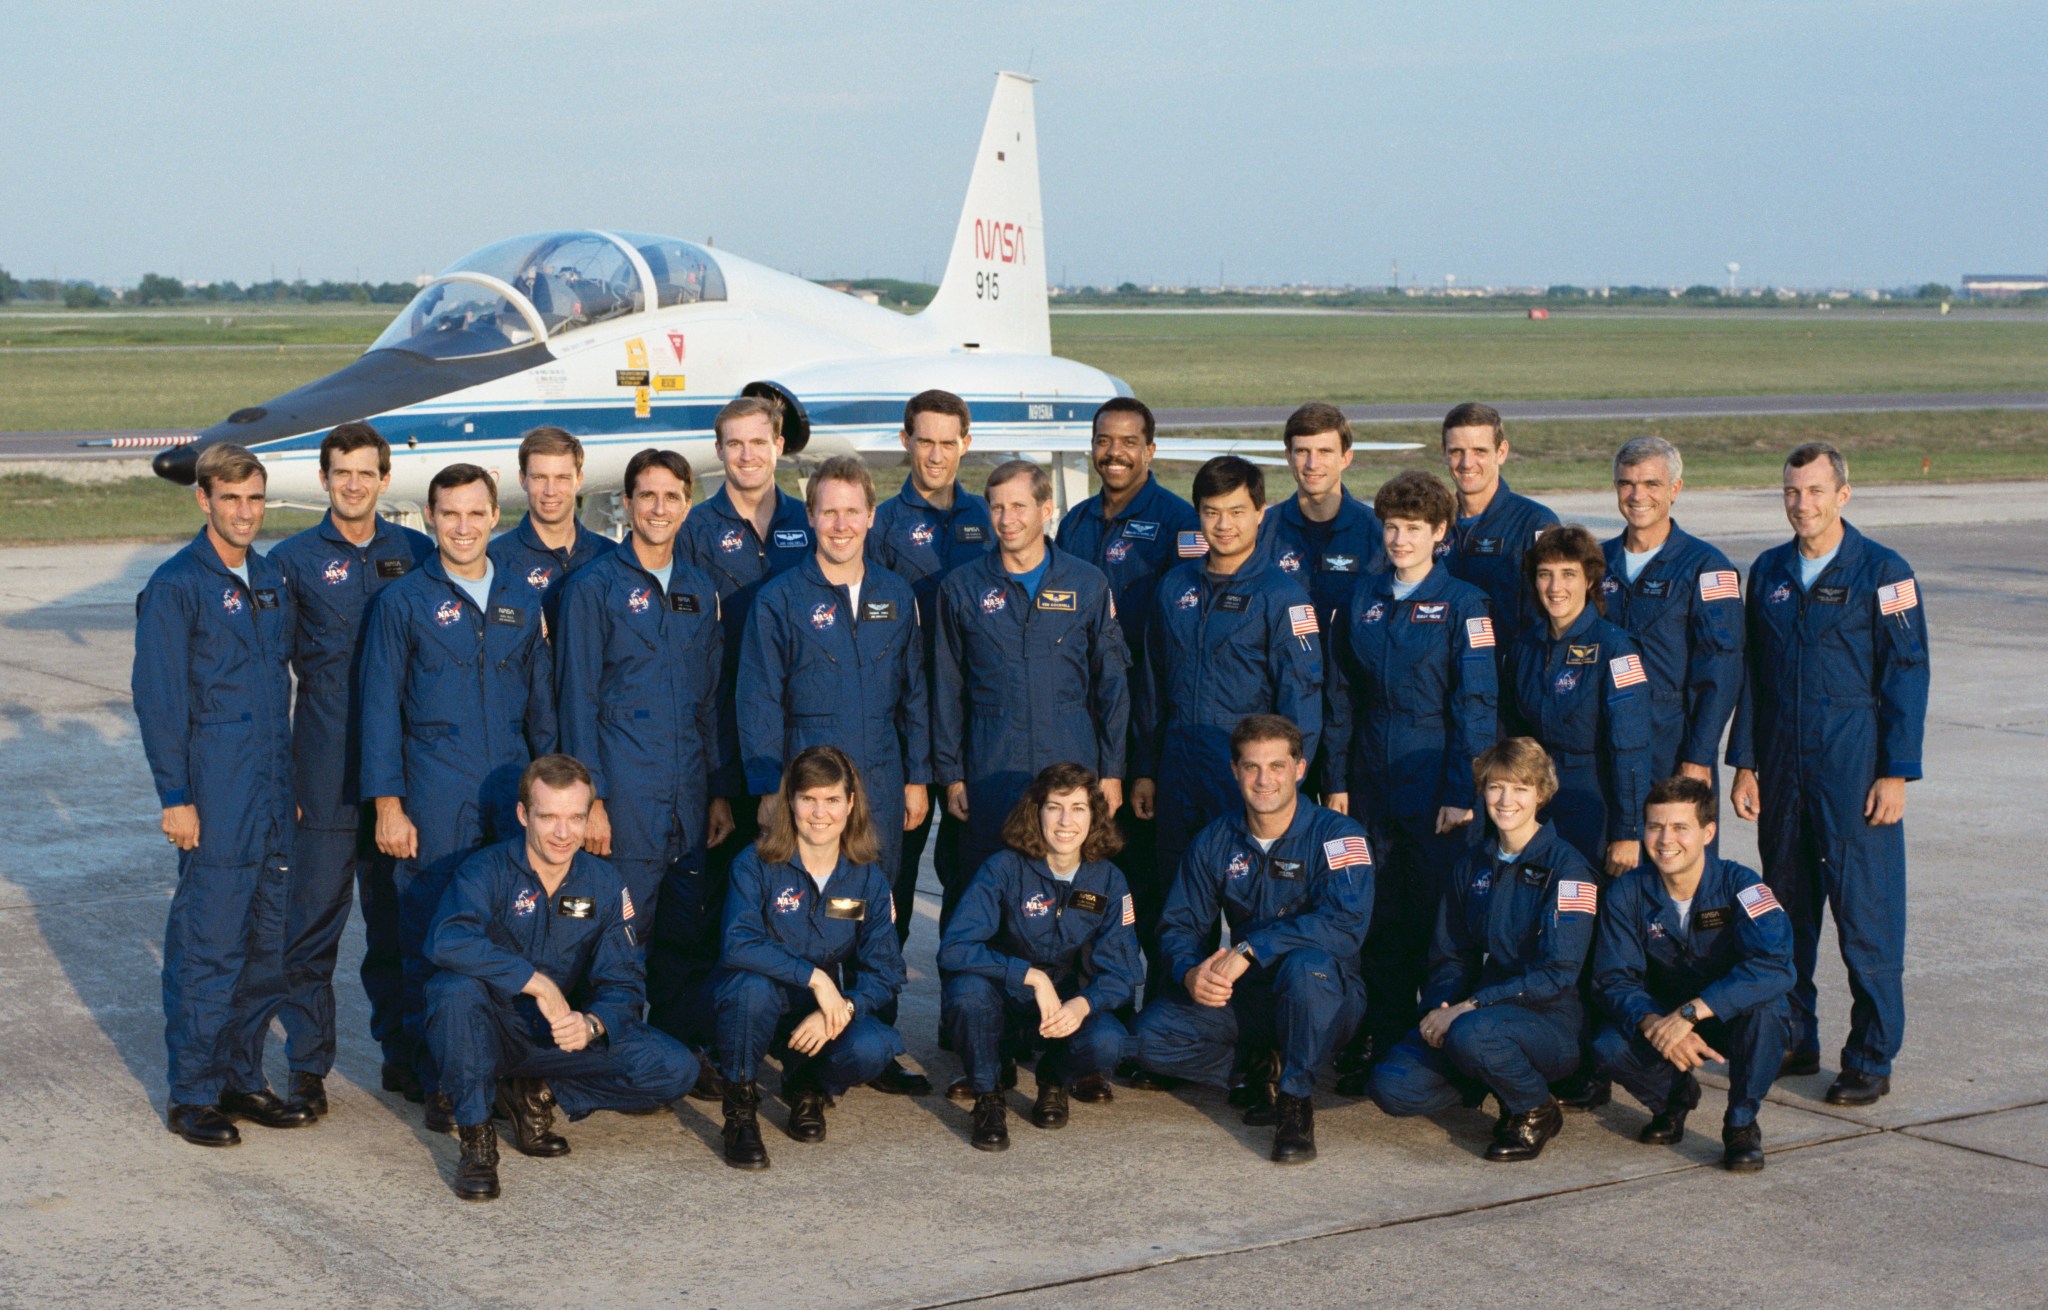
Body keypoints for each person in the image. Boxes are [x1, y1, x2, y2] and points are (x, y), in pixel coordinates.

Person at [1728, 442, 1928, 1105]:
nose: (1801, 504)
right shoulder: (1770, 571)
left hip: (1853, 766)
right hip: (1782, 767)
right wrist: (1746, 762)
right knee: (1785, 911)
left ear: (1843, 495)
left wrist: (1895, 772)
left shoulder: (1885, 571)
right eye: (1791, 492)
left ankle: (1871, 1055)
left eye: (1814, 491)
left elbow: (1906, 673)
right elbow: (1753, 674)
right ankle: (1793, 1034)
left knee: (1867, 915)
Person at [359, 463, 557, 1132]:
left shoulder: (521, 601)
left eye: (476, 514)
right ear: (431, 518)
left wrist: (556, 801)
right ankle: (438, 1072)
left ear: (494, 517)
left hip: (509, 792)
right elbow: (380, 709)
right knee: (430, 934)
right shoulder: (404, 603)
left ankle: (501, 1065)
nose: (464, 527)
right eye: (450, 514)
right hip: (436, 793)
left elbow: (542, 712)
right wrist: (389, 805)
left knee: (513, 932)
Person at [134, 443, 312, 1146]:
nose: (245, 512)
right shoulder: (178, 585)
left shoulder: (269, 578)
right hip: (214, 793)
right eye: (231, 498)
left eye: (255, 499)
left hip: (270, 792)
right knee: (209, 948)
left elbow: (283, 689)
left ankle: (244, 1078)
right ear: (203, 500)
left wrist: (289, 785)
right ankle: (194, 1093)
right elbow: (158, 699)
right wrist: (175, 796)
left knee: (267, 945)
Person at [737, 454, 932, 1095]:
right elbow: (759, 697)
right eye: (829, 511)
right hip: (807, 786)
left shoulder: (895, 595)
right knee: (796, 909)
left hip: (880, 775)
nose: (841, 524)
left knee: (882, 910)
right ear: (811, 516)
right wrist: (771, 788)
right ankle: (789, 1027)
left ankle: (877, 1033)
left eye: (853, 511)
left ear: (872, 516)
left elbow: (914, 694)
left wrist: (916, 777)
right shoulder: (781, 599)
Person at [423, 754, 700, 1201]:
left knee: (675, 1068)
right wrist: (535, 981)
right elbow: (446, 941)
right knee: (451, 990)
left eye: (574, 817)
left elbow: (625, 985)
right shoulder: (485, 870)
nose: (562, 832)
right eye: (548, 816)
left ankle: (537, 1091)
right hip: (491, 1030)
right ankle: (477, 1140)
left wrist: (591, 1025)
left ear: (590, 817)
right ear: (522, 815)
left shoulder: (605, 884)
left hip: (559, 1037)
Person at [269, 422, 435, 1115]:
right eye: (342, 472)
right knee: (312, 926)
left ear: (386, 479)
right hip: (325, 770)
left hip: (402, 771)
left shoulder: (421, 554)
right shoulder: (294, 561)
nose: (355, 484)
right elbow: (265, 675)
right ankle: (308, 1067)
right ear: (325, 477)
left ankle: (405, 1056)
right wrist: (285, 776)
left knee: (401, 923)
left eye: (367, 472)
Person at [1125, 715, 1372, 1165]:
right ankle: (1257, 1069)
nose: (1264, 780)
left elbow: (1346, 924)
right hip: (1253, 997)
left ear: (1299, 769)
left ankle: (1295, 1103)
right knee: (1146, 1038)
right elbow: (1178, 927)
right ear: (1235, 770)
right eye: (1252, 767)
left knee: (1304, 969)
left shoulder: (1340, 836)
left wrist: (1252, 948)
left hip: (1325, 995)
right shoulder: (1214, 841)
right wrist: (1189, 972)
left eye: (1277, 766)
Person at [553, 448, 730, 1064]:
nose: (659, 508)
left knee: (683, 934)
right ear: (626, 504)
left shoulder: (699, 588)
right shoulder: (593, 588)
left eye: (672, 497)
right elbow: (576, 700)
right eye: (647, 496)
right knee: (618, 934)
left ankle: (674, 1057)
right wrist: (590, 801)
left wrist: (717, 794)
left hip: (686, 797)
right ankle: (604, 1054)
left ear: (687, 504)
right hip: (623, 795)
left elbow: (708, 702)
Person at [1323, 470, 1498, 1090]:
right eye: (1392, 527)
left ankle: (1445, 1043)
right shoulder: (1363, 597)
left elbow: (1476, 704)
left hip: (1433, 779)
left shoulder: (1465, 606)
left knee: (1437, 918)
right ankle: (1383, 1034)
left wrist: (1462, 790)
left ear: (1440, 534)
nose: (1400, 540)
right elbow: (1341, 695)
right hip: (1371, 776)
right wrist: (1337, 775)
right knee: (1377, 915)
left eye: (1414, 529)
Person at [1133, 456, 1323, 981]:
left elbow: (1302, 697)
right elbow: (1151, 685)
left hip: (1249, 777)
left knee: (1257, 908)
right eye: (1212, 512)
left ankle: (1258, 1035)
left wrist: (1285, 783)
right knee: (1178, 904)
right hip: (1179, 770)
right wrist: (1146, 769)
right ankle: (1177, 1020)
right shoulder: (1173, 588)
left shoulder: (1283, 596)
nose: (1224, 525)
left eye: (1237, 511)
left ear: (1261, 512)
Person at [1369, 739, 1598, 1163]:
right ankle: (1484, 1072)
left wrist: (1470, 1007)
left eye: (1520, 789)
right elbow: (1451, 955)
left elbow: (1558, 974)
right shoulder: (1471, 864)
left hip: (1548, 1023)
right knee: (1393, 1085)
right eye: (1495, 787)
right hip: (1476, 1018)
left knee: (1474, 1033)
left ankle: (1535, 1107)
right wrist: (1440, 1009)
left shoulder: (1569, 872)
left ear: (1541, 795)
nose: (1506, 800)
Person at [933, 459, 1130, 906]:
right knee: (981, 884)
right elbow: (946, 689)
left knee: (1073, 885)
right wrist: (951, 775)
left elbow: (1112, 685)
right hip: (990, 765)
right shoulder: (961, 588)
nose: (1007, 519)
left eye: (1019, 506)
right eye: (997, 508)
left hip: (1070, 760)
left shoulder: (1087, 584)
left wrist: (1113, 771)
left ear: (1046, 510)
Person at [712, 746, 909, 1170]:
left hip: (819, 1012)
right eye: (808, 799)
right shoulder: (756, 863)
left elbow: (887, 970)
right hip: (758, 1003)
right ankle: (741, 1110)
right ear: (791, 802)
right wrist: (817, 978)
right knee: (750, 988)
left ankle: (809, 1088)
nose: (820, 813)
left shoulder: (866, 875)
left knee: (874, 1045)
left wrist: (843, 1006)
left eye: (832, 800)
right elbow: (738, 942)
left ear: (850, 804)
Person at [1054, 397, 1201, 946]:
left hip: (1147, 714)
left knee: (1149, 877)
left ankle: (1159, 1007)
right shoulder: (1075, 523)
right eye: (1104, 441)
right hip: (1081, 716)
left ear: (1150, 450)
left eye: (1128, 442)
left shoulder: (1178, 523)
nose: (1114, 453)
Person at [1593, 776, 1794, 1172]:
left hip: (1727, 1016)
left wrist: (1693, 1013)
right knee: (1606, 1044)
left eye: (1680, 827)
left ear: (1708, 832)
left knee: (1768, 1010)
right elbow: (1612, 979)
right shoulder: (1626, 893)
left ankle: (1740, 1123)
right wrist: (1656, 1025)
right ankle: (1672, 1101)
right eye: (1655, 826)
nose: (1666, 840)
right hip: (1665, 1015)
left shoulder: (1742, 886)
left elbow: (1775, 965)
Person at [938, 764, 1143, 1149]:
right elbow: (955, 948)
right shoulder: (1002, 868)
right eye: (1054, 807)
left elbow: (1121, 972)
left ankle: (1054, 1079)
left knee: (1110, 1041)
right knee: (966, 993)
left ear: (1094, 815)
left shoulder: (1109, 880)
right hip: (1008, 1001)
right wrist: (1030, 975)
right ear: (1037, 812)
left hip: (1067, 1009)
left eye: (1078, 808)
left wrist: (1084, 1004)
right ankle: (989, 1095)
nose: (1066, 821)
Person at [868, 390, 995, 936]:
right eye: (926, 442)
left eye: (949, 443)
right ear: (906, 441)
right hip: (907, 721)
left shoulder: (991, 517)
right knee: (894, 866)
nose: (937, 456)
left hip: (976, 722)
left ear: (966, 444)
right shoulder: (883, 525)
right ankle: (881, 999)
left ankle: (966, 1001)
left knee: (973, 869)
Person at [679, 396, 814, 906]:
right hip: (722, 732)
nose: (748, 454)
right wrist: (715, 781)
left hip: (800, 727)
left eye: (759, 442)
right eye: (735, 444)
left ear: (779, 446)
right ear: (718, 450)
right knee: (722, 889)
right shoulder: (693, 532)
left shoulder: (811, 523)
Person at [1599, 436, 1744, 827]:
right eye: (1626, 484)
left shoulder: (1707, 567)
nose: (1636, 495)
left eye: (1651, 484)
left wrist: (1698, 755)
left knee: (1678, 859)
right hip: (1602, 739)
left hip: (1671, 739)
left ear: (1675, 489)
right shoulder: (1595, 562)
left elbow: (1721, 669)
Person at [1502, 524, 1651, 877]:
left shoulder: (1616, 649)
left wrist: (1628, 831)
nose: (1555, 588)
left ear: (1589, 580)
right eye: (1545, 575)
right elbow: (1512, 733)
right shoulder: (1525, 648)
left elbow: (1631, 748)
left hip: (1593, 799)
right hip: (1536, 800)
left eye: (1568, 574)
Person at [1438, 402, 1559, 644]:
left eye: (1479, 451)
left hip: (1508, 673)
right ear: (1444, 453)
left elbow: (1550, 615)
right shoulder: (1433, 523)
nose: (1467, 463)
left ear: (1501, 452)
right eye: (1456, 451)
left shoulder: (1535, 523)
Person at [1256, 401, 1383, 625]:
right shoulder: (1261, 531)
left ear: (1346, 458)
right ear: (1288, 456)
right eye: (1303, 452)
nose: (1312, 464)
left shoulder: (1378, 532)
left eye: (1325, 451)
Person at [486, 427, 610, 629]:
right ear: (522, 479)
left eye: (562, 477)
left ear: (579, 479)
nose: (550, 491)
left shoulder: (608, 556)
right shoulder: (495, 561)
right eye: (539, 478)